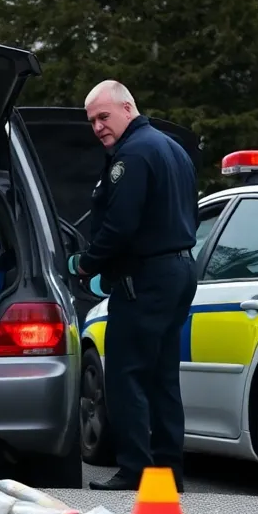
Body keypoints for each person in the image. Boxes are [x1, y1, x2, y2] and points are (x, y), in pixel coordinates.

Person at [69, 80, 199, 492]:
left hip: (146, 278)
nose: (98, 127)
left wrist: (87, 263)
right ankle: (167, 471)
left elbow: (120, 224)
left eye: (104, 117)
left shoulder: (134, 154)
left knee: (126, 374)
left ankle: (135, 470)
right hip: (177, 271)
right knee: (162, 376)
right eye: (92, 121)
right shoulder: (171, 148)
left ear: (127, 107)